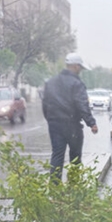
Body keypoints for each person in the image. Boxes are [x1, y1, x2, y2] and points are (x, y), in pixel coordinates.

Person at [41, 53, 98, 182]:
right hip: (72, 125)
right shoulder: (77, 84)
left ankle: (54, 187)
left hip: (55, 124)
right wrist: (91, 123)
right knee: (75, 156)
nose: (80, 71)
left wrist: (51, 120)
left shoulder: (51, 82)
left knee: (57, 155)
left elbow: (45, 104)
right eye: (80, 68)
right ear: (76, 66)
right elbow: (82, 104)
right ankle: (74, 185)